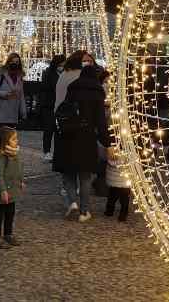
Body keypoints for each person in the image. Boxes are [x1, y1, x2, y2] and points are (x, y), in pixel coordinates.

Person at [53, 65, 111, 222]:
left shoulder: (73, 88)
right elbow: (100, 121)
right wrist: (107, 142)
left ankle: (72, 203)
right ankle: (84, 212)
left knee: (69, 173)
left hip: (68, 135)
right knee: (85, 176)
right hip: (87, 137)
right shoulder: (97, 93)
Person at [0, 53, 26, 128]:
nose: (15, 64)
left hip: (13, 115)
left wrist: (23, 111)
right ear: (8, 62)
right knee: (1, 137)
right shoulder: (1, 74)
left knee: (10, 138)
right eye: (13, 62)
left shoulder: (19, 77)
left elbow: (21, 96)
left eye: (17, 62)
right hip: (2, 113)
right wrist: (5, 94)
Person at [39, 54, 64, 162]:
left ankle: (58, 152)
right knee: (49, 129)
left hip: (60, 105)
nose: (62, 66)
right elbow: (45, 88)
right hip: (49, 105)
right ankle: (47, 151)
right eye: (61, 64)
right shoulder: (48, 73)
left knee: (59, 130)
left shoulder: (64, 74)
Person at [104, 144, 132, 222]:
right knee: (125, 198)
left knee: (112, 196)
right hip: (125, 180)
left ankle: (109, 211)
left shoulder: (111, 152)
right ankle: (123, 215)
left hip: (113, 180)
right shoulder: (129, 153)